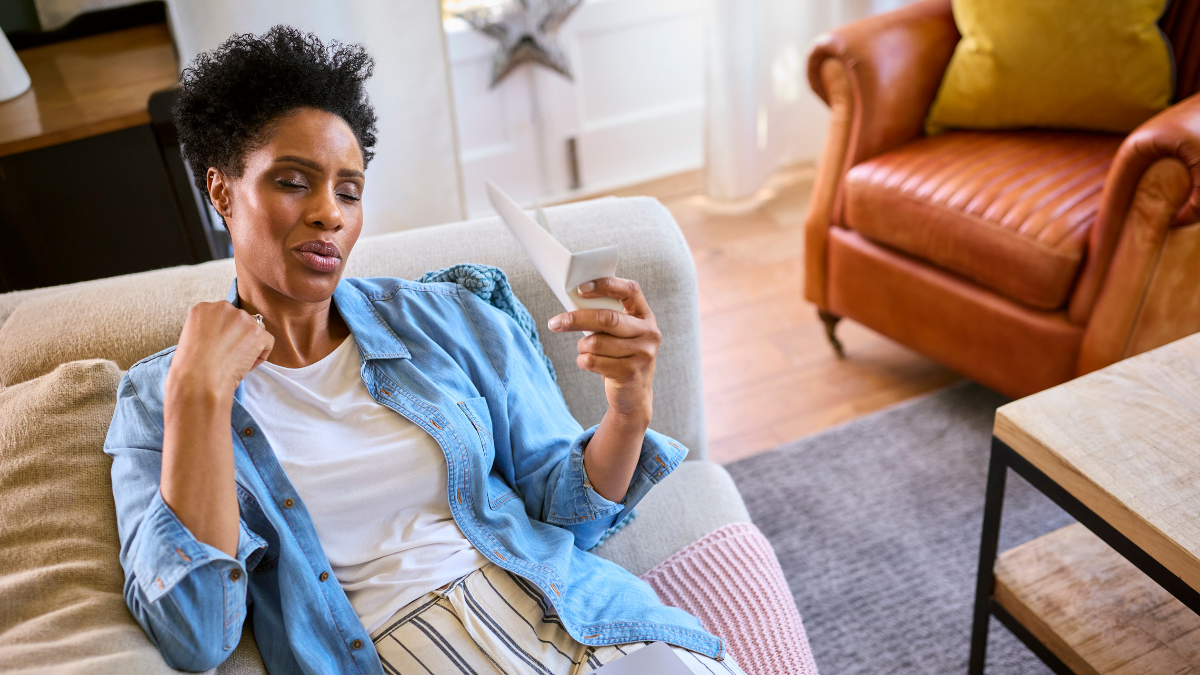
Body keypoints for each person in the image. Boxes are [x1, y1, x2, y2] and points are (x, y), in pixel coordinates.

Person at [104, 26, 744, 675]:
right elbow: (195, 633)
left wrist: (629, 407)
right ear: (221, 192)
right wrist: (199, 395)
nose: (330, 214)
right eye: (293, 181)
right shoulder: (159, 399)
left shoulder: (447, 319)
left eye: (349, 191)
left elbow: (566, 514)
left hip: (580, 622)